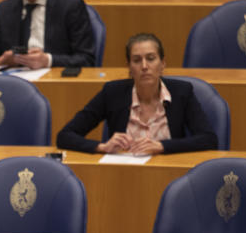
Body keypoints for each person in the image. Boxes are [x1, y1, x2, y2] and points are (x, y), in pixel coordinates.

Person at [56, 33, 218, 154]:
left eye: (151, 58)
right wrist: (102, 147)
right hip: (124, 174)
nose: (144, 66)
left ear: (162, 64)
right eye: (137, 60)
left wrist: (163, 146)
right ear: (129, 67)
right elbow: (65, 136)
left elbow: (209, 140)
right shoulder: (112, 93)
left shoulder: (182, 92)